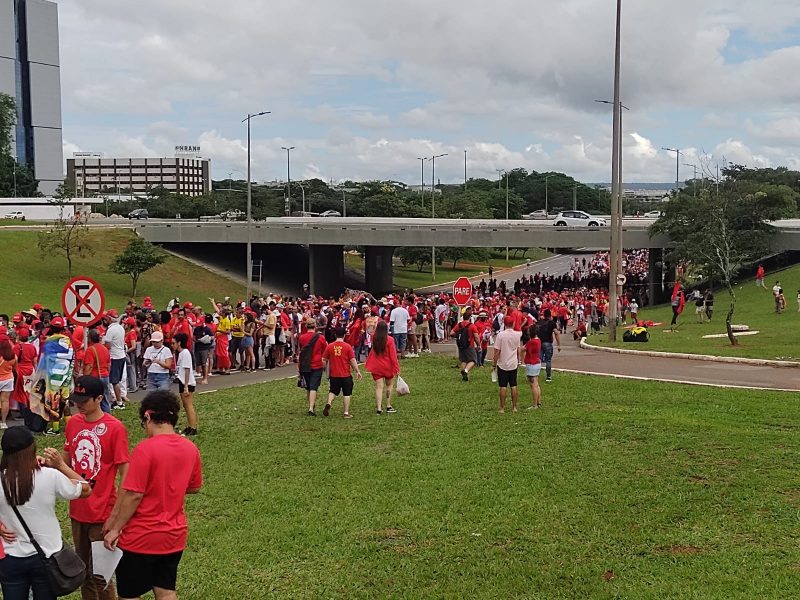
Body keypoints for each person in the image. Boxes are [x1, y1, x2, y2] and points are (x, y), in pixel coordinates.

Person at [103, 390, 203, 600]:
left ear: (148, 416)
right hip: (174, 536)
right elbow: (194, 487)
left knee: (129, 593)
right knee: (166, 590)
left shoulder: (144, 449)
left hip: (141, 536)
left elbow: (133, 495)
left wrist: (116, 528)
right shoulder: (190, 448)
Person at [0, 426, 91, 600]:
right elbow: (86, 489)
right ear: (32, 449)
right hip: (47, 557)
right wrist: (60, 466)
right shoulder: (49, 476)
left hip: (11, 558)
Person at [63, 376, 130, 600]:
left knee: (101, 576)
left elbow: (125, 476)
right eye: (76, 399)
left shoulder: (115, 428)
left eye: (84, 400)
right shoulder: (73, 423)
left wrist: (117, 515)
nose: (79, 405)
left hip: (103, 513)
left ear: (100, 398)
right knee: (82, 573)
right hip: (78, 511)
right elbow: (66, 461)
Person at [321, 326, 362, 419]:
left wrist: (323, 368)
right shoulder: (347, 347)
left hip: (334, 375)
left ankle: (328, 403)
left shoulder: (330, 346)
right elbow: (352, 360)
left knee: (333, 391)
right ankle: (346, 412)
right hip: (345, 374)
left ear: (335, 335)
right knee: (347, 393)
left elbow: (324, 359)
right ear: (344, 335)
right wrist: (357, 371)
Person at [365, 320, 399, 415]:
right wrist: (396, 368)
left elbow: (369, 331)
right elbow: (393, 355)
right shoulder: (390, 340)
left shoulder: (374, 338)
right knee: (389, 385)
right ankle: (388, 405)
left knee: (378, 387)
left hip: (376, 366)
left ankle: (379, 408)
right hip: (388, 366)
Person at [492, 316, 522, 413]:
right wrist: (519, 360)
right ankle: (514, 407)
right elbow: (518, 349)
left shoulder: (501, 335)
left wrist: (494, 363)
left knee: (503, 386)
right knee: (513, 385)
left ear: (504, 324)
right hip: (513, 363)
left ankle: (502, 408)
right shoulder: (517, 335)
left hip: (503, 363)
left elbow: (497, 351)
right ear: (513, 324)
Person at [297, 319, 327, 416]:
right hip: (317, 363)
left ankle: (310, 405)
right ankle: (311, 407)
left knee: (308, 387)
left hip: (305, 364)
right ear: (315, 326)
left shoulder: (302, 337)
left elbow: (300, 350)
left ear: (306, 326)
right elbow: (325, 350)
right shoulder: (320, 337)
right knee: (314, 387)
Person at [172, 333, 198, 436]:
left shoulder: (185, 353)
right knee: (185, 405)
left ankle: (193, 427)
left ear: (179, 343)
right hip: (182, 381)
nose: (172, 345)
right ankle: (190, 425)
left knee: (188, 405)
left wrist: (186, 386)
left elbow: (187, 369)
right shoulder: (181, 353)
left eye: (174, 343)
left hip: (186, 383)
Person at [104, 315, 127, 410]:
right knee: (117, 380)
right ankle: (118, 399)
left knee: (114, 381)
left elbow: (108, 345)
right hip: (121, 355)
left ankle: (119, 402)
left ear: (109, 319)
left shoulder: (111, 330)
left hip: (114, 356)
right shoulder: (120, 328)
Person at [451, 308, 480, 381]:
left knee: (463, 360)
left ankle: (464, 375)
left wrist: (457, 336)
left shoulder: (459, 325)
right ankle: (465, 371)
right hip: (469, 345)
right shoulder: (472, 326)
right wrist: (478, 345)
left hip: (461, 345)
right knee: (473, 360)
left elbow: (451, 333)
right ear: (470, 318)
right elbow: (476, 337)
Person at [535, 309, 561, 383]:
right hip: (548, 343)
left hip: (539, 343)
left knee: (538, 360)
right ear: (550, 315)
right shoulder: (552, 323)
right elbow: (556, 333)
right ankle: (548, 377)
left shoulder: (539, 322)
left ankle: (536, 375)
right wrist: (558, 345)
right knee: (548, 360)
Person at [522, 327, 542, 409]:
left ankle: (534, 405)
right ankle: (538, 401)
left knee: (533, 385)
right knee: (536, 384)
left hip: (531, 364)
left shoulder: (531, 342)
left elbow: (523, 349)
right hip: (537, 363)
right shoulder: (538, 340)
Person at [0, 335, 17, 429]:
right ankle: (3, 422)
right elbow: (15, 368)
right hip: (8, 379)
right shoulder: (12, 356)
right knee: (5, 401)